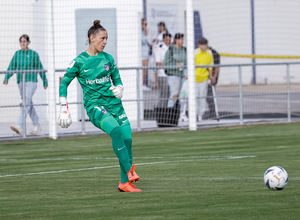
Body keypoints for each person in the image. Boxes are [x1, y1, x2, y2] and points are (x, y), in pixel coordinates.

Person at [58, 20, 141, 192]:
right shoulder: (79, 61)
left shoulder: (108, 59)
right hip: (95, 106)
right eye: (103, 38)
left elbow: (117, 79)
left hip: (115, 104)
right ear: (92, 38)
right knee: (116, 131)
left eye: (107, 39)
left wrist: (120, 89)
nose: (105, 42)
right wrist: (64, 108)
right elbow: (64, 83)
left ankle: (124, 183)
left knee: (127, 139)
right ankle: (129, 171)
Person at [3, 34, 47, 135]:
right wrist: (6, 78)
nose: (23, 43)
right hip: (20, 82)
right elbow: (11, 67)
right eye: (21, 42)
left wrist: (45, 81)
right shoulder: (17, 54)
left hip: (31, 81)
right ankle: (37, 125)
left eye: (25, 41)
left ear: (28, 42)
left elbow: (40, 68)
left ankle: (20, 126)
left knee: (26, 102)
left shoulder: (33, 54)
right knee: (28, 104)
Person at [163, 33, 187, 121]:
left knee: (183, 95)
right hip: (173, 75)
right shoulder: (170, 50)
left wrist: (186, 72)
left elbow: (188, 62)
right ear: (176, 40)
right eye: (181, 39)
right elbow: (166, 64)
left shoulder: (184, 50)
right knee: (174, 94)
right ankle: (169, 114)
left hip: (182, 75)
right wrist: (175, 65)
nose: (182, 41)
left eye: (183, 39)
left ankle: (182, 114)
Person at [194, 37, 213, 121]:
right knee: (195, 97)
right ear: (199, 45)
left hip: (204, 78)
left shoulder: (209, 53)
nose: (204, 46)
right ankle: (194, 114)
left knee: (202, 97)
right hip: (195, 78)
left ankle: (200, 115)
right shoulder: (195, 52)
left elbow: (210, 66)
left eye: (205, 45)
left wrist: (211, 76)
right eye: (202, 45)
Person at [153, 32, 172, 107]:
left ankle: (167, 112)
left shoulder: (171, 48)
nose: (168, 42)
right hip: (163, 75)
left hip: (171, 75)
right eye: (167, 40)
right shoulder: (159, 48)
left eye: (170, 40)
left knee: (169, 95)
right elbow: (158, 63)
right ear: (163, 40)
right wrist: (170, 65)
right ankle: (160, 111)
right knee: (164, 95)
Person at [206, 45, 220, 119]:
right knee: (207, 96)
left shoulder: (214, 53)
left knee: (210, 95)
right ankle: (211, 112)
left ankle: (213, 113)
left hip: (211, 78)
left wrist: (214, 77)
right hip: (204, 77)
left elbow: (217, 66)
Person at [141, 18, 151, 91]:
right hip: (142, 54)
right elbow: (143, 40)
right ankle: (142, 84)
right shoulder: (140, 32)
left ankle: (143, 84)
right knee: (143, 70)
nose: (146, 26)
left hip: (145, 53)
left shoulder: (144, 32)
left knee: (145, 69)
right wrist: (146, 34)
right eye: (145, 24)